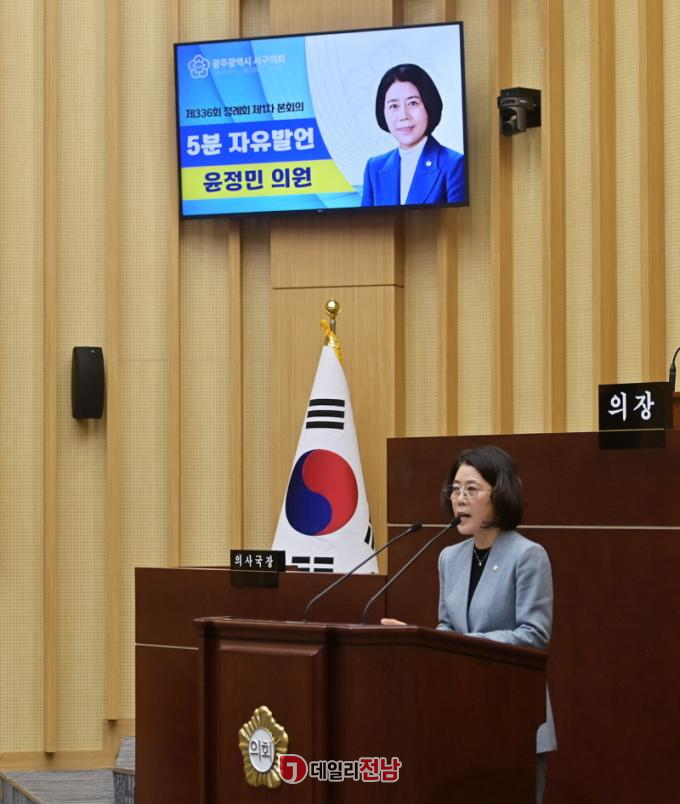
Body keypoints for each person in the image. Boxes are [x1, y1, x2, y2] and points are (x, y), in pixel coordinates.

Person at [382, 445, 556, 804]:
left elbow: (534, 636)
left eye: (471, 489)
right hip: (461, 715)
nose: (459, 499)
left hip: (514, 714)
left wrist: (463, 645)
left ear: (500, 494)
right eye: (455, 489)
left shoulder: (527, 556)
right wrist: (416, 639)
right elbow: (448, 627)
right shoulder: (450, 558)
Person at [361, 63, 466, 207]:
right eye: (394, 106)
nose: (404, 116)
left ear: (429, 105)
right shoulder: (374, 167)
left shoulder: (453, 164)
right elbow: (369, 221)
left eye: (412, 103)